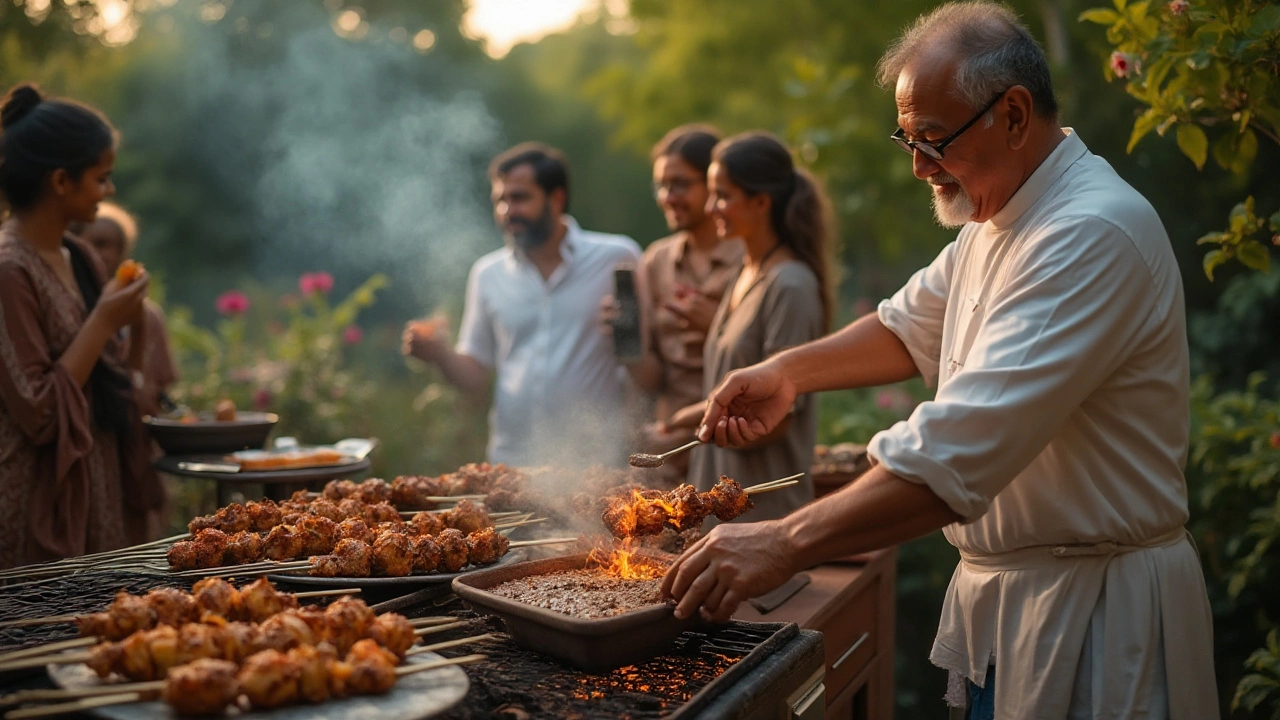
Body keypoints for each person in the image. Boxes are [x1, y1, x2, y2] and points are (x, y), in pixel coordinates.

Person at [661, 4, 1218, 718]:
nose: (920, 167)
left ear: (1013, 115)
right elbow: (906, 327)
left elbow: (955, 450)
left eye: (934, 139)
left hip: (1096, 623)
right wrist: (787, 373)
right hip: (1015, 609)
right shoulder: (1004, 216)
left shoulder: (1088, 232)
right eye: (908, 139)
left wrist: (784, 539)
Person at [0, 84, 164, 569]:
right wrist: (103, 321)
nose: (110, 191)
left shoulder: (80, 256)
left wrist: (133, 328)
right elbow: (39, 411)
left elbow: (117, 379)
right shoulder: (11, 270)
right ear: (60, 181)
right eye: (101, 178)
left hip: (100, 492)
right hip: (37, 504)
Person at [402, 142, 642, 469]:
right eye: (500, 200)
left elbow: (648, 359)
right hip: (513, 466)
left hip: (596, 465)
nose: (507, 211)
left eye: (519, 197)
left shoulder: (616, 258)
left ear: (556, 198)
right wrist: (439, 354)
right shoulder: (488, 274)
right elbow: (475, 376)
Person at [659, 131, 831, 521]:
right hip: (722, 515)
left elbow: (777, 420)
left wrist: (698, 431)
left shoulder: (790, 285)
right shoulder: (746, 271)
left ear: (760, 201)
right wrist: (672, 425)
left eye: (722, 195)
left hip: (764, 517)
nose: (711, 207)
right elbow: (729, 397)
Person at [610, 124, 744, 488]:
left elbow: (774, 363)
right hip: (667, 451)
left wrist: (716, 330)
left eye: (681, 184)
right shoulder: (657, 261)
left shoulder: (749, 258)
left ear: (714, 184)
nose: (668, 197)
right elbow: (652, 379)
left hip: (734, 447)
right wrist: (627, 339)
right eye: (661, 186)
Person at [75, 202, 179, 418]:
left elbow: (159, 386)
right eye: (87, 242)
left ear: (122, 253)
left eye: (103, 244)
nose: (93, 251)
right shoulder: (72, 308)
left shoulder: (148, 314)